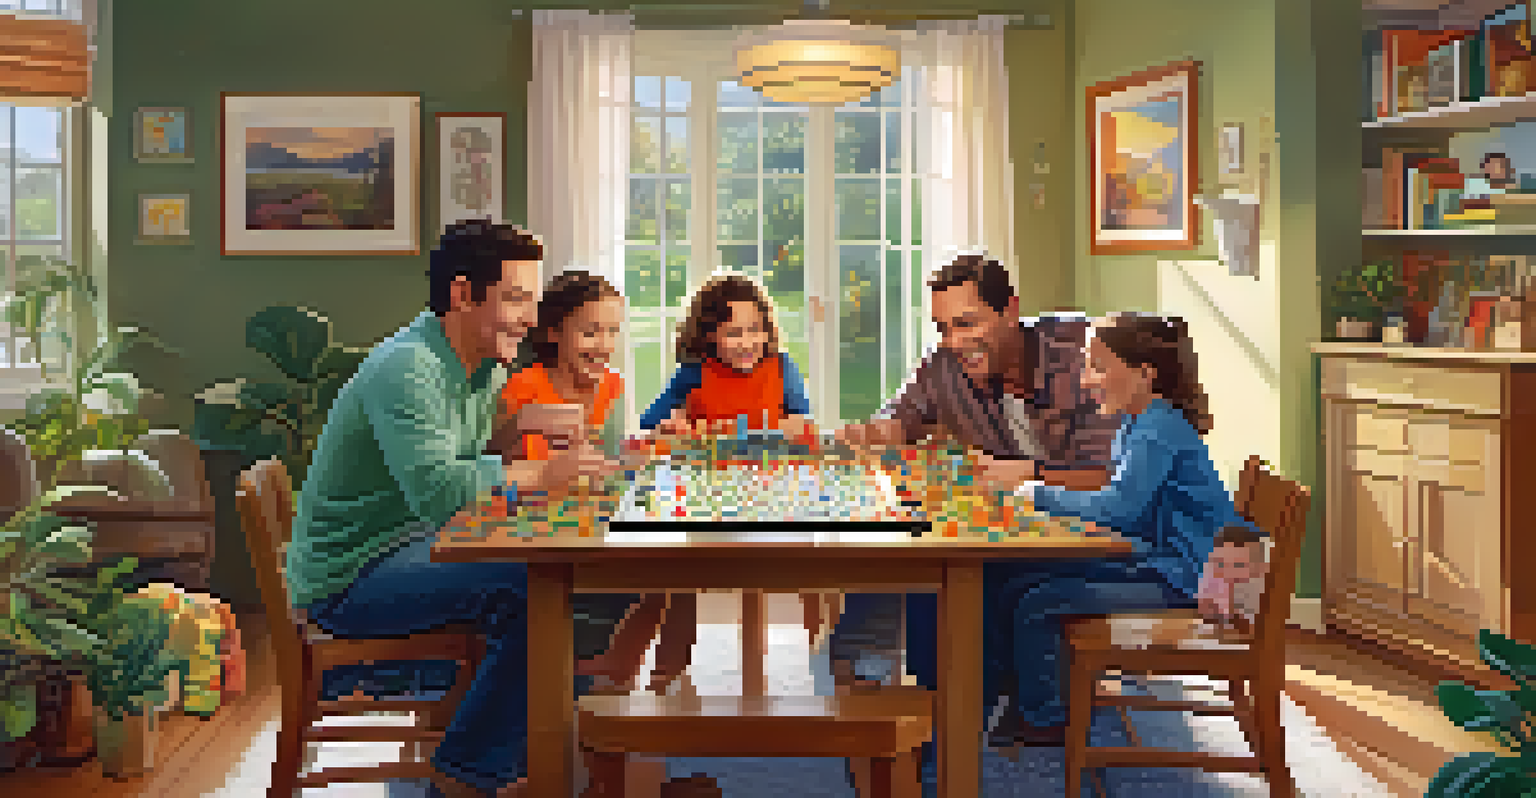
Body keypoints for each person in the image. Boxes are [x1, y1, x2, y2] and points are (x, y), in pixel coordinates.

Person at [286, 220, 619, 798]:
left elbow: (463, 455)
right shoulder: (408, 367)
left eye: (532, 302)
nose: (529, 319)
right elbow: (440, 493)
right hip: (351, 578)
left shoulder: (482, 364)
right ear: (463, 295)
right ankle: (467, 772)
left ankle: (523, 739)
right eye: (515, 300)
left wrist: (518, 432)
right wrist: (544, 471)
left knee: (557, 576)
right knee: (531, 587)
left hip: (412, 544)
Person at [826, 254, 1119, 696]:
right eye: (943, 328)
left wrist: (1030, 475)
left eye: (967, 323)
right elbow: (902, 417)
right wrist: (871, 432)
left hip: (1087, 529)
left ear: (1010, 311)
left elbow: (1108, 477)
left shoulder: (1081, 358)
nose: (954, 341)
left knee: (944, 572)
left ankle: (961, 702)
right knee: (917, 556)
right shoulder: (945, 365)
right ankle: (913, 699)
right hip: (1010, 527)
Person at [987, 312, 1256, 747]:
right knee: (1018, 581)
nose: (1086, 379)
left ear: (1143, 373)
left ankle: (1050, 719)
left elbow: (1120, 509)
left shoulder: (1156, 429)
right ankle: (1026, 695)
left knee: (1039, 602)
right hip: (1164, 562)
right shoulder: (1140, 422)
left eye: (1098, 366)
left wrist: (1036, 493)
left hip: (1186, 580)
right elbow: (1126, 508)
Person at [489, 270, 695, 699]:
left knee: (669, 569)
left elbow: (611, 457)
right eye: (589, 331)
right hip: (534, 524)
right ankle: (577, 674)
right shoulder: (523, 387)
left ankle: (618, 680)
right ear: (553, 333)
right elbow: (498, 459)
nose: (603, 344)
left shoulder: (610, 385)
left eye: (612, 332)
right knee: (632, 578)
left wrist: (654, 443)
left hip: (588, 516)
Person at [639, 272, 814, 436]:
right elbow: (650, 423)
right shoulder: (695, 371)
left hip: (772, 466)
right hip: (710, 467)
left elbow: (804, 424)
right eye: (733, 333)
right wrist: (672, 425)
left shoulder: (781, 367)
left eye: (755, 330)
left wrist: (731, 431)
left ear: (767, 330)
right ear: (709, 334)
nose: (746, 344)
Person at [1197, 524, 1269, 629]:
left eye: (1239, 565)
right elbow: (1204, 611)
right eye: (1221, 564)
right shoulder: (1214, 577)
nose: (1228, 572)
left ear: (1260, 568)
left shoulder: (1261, 587)